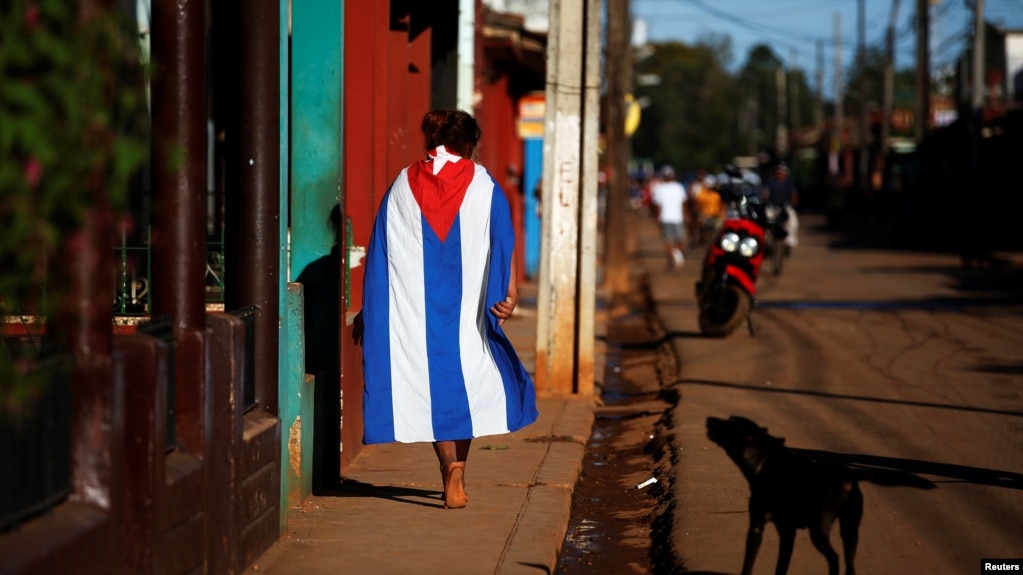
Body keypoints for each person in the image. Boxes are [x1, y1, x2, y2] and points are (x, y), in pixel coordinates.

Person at [353, 109, 538, 510]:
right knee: (466, 382)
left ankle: (447, 467)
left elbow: (383, 250)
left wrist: (372, 312)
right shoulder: (485, 184)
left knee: (428, 384)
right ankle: (460, 470)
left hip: (415, 313)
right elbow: (502, 242)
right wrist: (508, 293)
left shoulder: (402, 183)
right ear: (469, 143)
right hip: (468, 309)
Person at [649, 165, 688, 268]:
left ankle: (674, 253)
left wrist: (657, 218)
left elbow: (682, 203)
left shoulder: (676, 187)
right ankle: (670, 260)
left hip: (674, 218)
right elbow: (657, 206)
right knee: (670, 241)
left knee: (677, 241)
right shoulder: (661, 188)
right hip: (668, 218)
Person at [762, 162, 799, 251]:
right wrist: (764, 197)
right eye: (779, 172)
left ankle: (789, 242)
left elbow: (793, 193)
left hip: (786, 207)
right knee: (765, 222)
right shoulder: (771, 182)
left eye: (783, 172)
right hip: (772, 207)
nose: (780, 174)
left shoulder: (789, 182)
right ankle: (766, 243)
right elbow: (765, 193)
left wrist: (794, 200)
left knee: (793, 222)